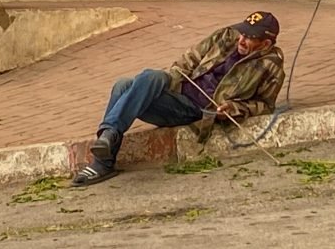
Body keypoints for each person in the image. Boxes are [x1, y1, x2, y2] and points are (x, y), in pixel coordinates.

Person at [71, 10, 285, 186]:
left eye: (250, 37)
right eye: (243, 33)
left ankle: (103, 158)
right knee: (141, 80)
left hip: (193, 109)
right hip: (179, 86)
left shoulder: (270, 67)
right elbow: (190, 58)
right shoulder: (227, 36)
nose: (242, 39)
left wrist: (234, 108)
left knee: (123, 87)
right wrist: (176, 74)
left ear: (265, 44)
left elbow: (265, 105)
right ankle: (108, 137)